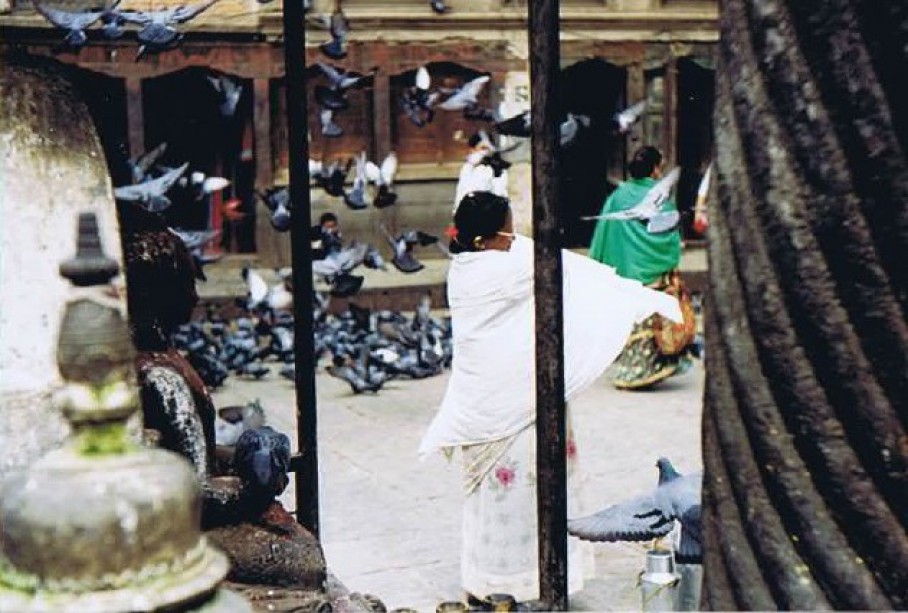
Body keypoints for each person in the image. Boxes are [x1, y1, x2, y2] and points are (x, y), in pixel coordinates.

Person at [420, 191, 682, 604]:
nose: (513, 237)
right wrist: (635, 295)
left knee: (507, 494)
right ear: (483, 238)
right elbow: (564, 270)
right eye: (507, 229)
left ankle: (495, 581)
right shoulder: (499, 272)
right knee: (517, 494)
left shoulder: (469, 264)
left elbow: (537, 256)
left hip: (496, 399)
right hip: (511, 402)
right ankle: (516, 583)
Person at [588, 145, 694, 390]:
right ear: (656, 169)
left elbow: (603, 231)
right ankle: (644, 370)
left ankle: (629, 369)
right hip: (651, 270)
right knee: (650, 320)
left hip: (624, 268)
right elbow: (667, 235)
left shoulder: (617, 197)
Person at [452, 132, 509, 215]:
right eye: (483, 148)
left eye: (489, 148)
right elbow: (461, 193)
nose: (487, 152)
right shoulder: (467, 168)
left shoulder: (497, 170)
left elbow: (500, 194)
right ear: (472, 149)